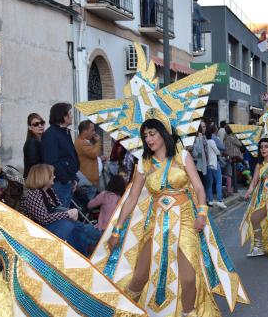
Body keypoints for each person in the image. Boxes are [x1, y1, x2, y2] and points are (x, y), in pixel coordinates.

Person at [106, 117, 248, 316]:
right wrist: (117, 229)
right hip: (156, 223)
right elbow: (131, 199)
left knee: (189, 278)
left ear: (163, 133)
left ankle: (187, 313)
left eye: (152, 133)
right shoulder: (144, 163)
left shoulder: (182, 157)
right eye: (145, 135)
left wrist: (201, 214)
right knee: (139, 276)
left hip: (186, 220)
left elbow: (199, 188)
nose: (148, 139)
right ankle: (124, 312)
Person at [19, 164, 101, 256]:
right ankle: (96, 242)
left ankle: (88, 248)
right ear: (44, 177)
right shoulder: (33, 194)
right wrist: (68, 214)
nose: (54, 176)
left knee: (72, 224)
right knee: (67, 224)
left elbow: (58, 210)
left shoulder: (49, 191)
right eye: (52, 175)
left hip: (48, 225)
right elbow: (43, 218)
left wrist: (69, 213)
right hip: (35, 230)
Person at [41, 102, 79, 208]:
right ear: (63, 116)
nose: (71, 116)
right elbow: (51, 162)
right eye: (70, 113)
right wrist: (67, 179)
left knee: (66, 214)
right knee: (61, 215)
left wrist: (73, 178)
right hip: (59, 183)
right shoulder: (50, 135)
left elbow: (70, 156)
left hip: (67, 182)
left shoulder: (65, 132)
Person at [75, 120, 106, 199]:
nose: (94, 132)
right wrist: (98, 142)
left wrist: (99, 159)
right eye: (92, 130)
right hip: (88, 181)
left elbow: (89, 156)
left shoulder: (86, 141)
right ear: (85, 131)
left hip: (91, 180)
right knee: (89, 204)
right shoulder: (81, 142)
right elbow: (94, 154)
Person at [205, 130, 226, 209]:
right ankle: (220, 200)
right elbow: (217, 152)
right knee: (218, 181)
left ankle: (210, 200)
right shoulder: (212, 141)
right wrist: (219, 152)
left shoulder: (204, 142)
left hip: (207, 164)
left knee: (209, 183)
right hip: (214, 163)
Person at [23, 112, 45, 178]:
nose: (40, 125)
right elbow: (35, 166)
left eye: (42, 123)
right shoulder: (32, 142)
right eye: (36, 124)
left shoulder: (41, 141)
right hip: (35, 181)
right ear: (30, 127)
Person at [224, 124, 244, 192]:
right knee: (232, 173)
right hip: (234, 156)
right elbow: (240, 144)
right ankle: (232, 189)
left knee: (230, 173)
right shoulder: (232, 137)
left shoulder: (225, 137)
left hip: (228, 156)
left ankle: (231, 188)